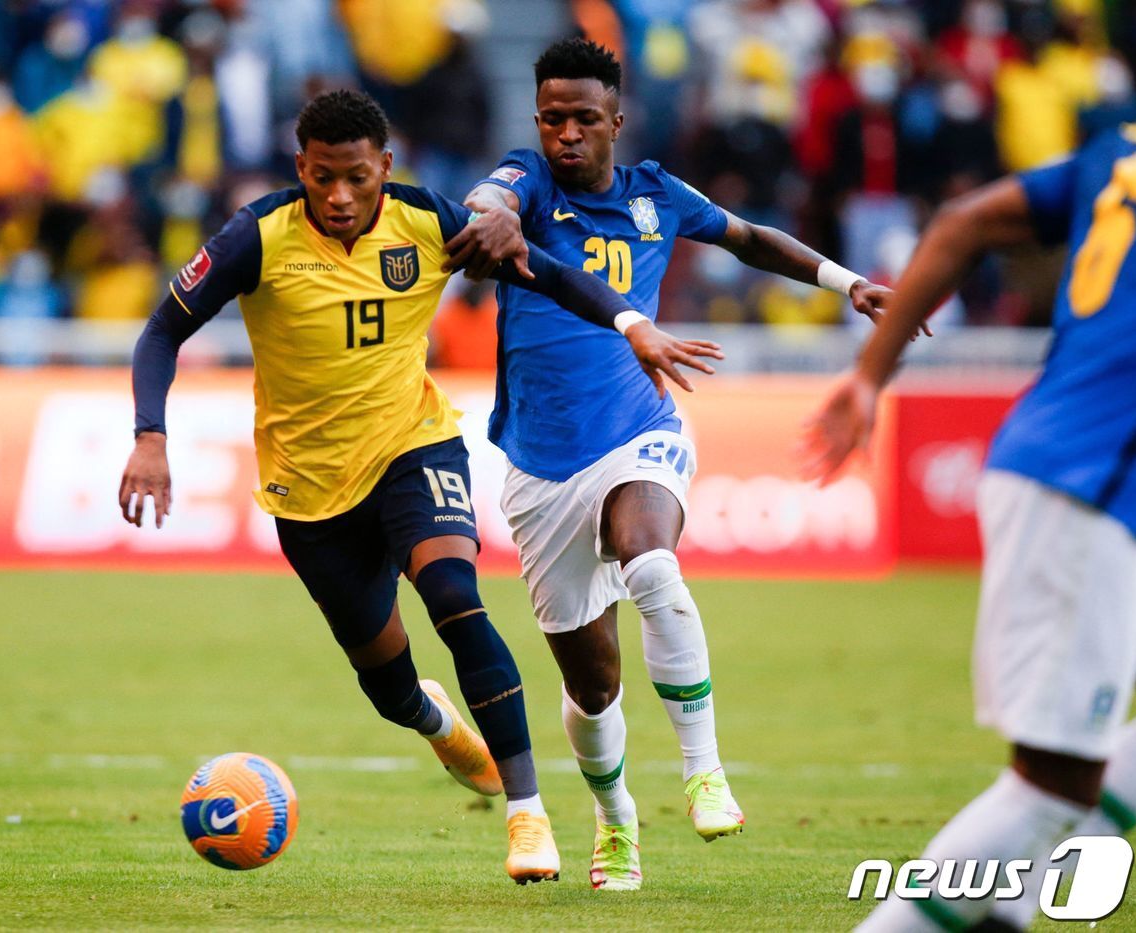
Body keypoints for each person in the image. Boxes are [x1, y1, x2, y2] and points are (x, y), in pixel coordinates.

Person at [119, 89, 720, 884]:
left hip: (415, 447)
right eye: (323, 177)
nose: (339, 196)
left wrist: (631, 324)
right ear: (301, 167)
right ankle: (437, 723)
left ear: (385, 170)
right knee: (389, 684)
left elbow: (547, 272)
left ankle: (527, 814)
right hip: (309, 492)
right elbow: (163, 328)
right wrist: (150, 436)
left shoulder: (423, 221)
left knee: (455, 599)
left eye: (357, 178)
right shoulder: (257, 237)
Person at [444, 38, 902, 891]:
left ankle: (704, 768)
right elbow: (491, 200)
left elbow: (753, 240)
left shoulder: (658, 194)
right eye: (552, 119)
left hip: (639, 431)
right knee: (592, 686)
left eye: (584, 118)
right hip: (540, 468)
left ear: (617, 119)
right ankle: (615, 821)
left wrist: (848, 284)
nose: (566, 134)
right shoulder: (528, 180)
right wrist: (492, 214)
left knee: (652, 559)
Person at [801, 124, 1136, 930]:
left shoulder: (1120, 147)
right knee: (1052, 784)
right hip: (1089, 485)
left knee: (1057, 790)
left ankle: (1002, 911)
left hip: (1070, 467)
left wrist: (868, 374)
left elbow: (962, 223)